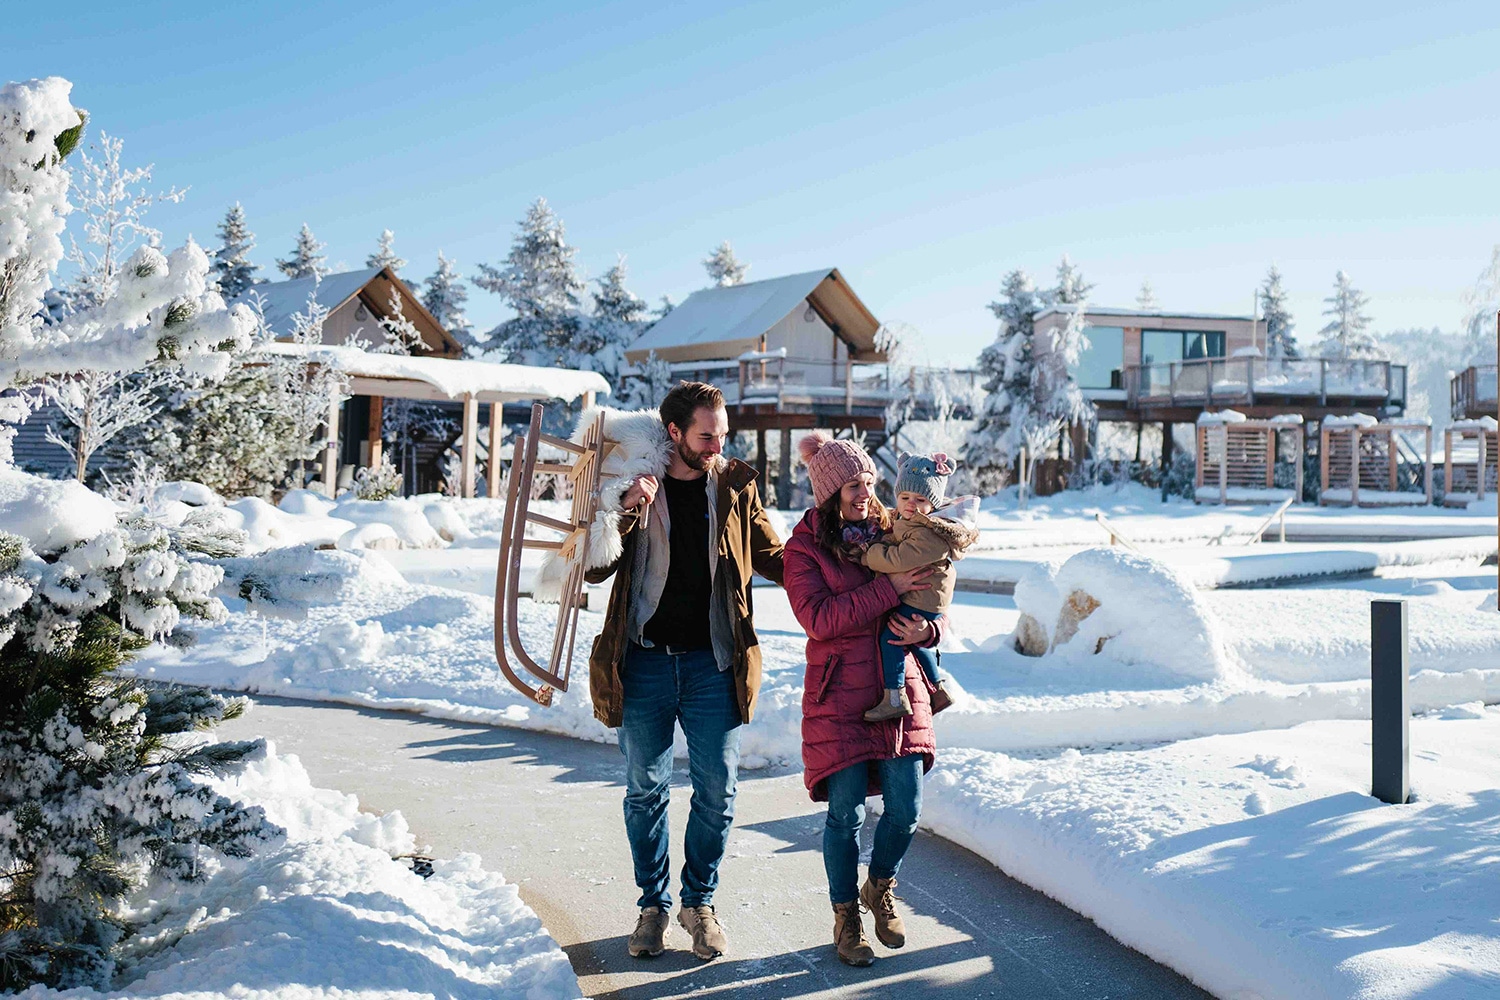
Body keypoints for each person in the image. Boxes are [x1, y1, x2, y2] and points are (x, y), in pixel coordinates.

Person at [582, 382, 785, 963]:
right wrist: (623, 510)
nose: (718, 444)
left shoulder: (737, 485)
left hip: (713, 663)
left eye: (723, 433)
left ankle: (700, 904)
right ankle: (653, 906)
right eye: (707, 435)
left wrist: (849, 569)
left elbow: (776, 556)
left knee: (718, 791)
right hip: (642, 661)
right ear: (674, 433)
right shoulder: (633, 479)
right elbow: (593, 569)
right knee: (644, 789)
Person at [781, 430, 941, 967]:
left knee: (906, 811)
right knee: (845, 814)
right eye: (852, 484)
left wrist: (929, 634)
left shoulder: (893, 528)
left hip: (900, 689)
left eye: (868, 482)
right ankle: (846, 915)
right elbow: (819, 619)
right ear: (828, 493)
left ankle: (880, 886)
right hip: (839, 695)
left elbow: (933, 590)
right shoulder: (803, 547)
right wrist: (888, 589)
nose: (864, 494)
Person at [857, 452, 978, 721]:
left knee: (892, 639)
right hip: (926, 597)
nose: (911, 504)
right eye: (905, 498)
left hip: (923, 597)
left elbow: (901, 559)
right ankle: (937, 690)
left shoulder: (927, 531)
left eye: (920, 500)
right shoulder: (911, 523)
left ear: (932, 505)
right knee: (914, 642)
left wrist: (869, 555)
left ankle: (894, 696)